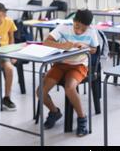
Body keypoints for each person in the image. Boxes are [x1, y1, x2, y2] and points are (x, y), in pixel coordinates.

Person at [36, 9, 98, 137]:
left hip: (79, 65)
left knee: (70, 88)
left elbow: (94, 50)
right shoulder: (64, 27)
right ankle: (54, 112)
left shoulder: (92, 32)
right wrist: (62, 45)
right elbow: (46, 42)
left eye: (83, 29)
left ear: (89, 26)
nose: (79, 31)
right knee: (40, 92)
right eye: (77, 26)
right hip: (60, 64)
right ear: (73, 21)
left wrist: (86, 47)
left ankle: (82, 118)